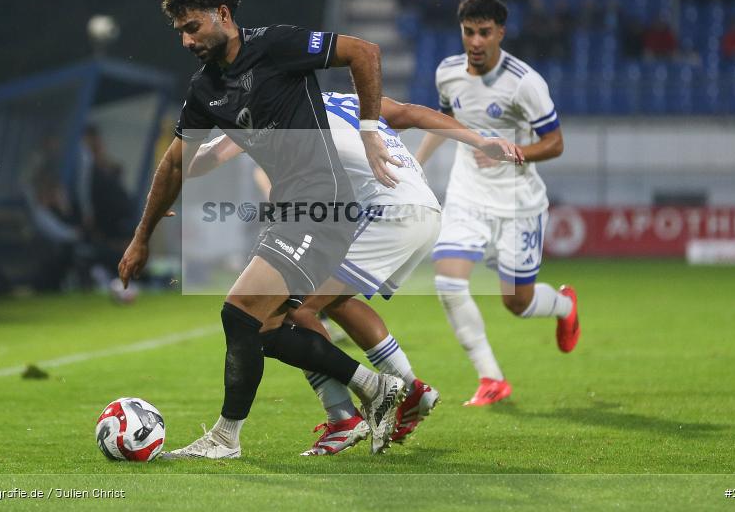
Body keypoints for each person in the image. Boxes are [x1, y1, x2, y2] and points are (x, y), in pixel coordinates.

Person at [118, 0, 407, 459]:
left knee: (238, 312)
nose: (186, 41)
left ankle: (225, 438)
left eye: (192, 27)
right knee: (266, 330)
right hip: (289, 210)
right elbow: (176, 163)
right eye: (180, 32)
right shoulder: (205, 88)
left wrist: (370, 130)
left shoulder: (274, 46)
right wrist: (142, 235)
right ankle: (375, 388)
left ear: (223, 15)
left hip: (322, 204)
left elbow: (364, 52)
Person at [186, 92, 523, 453]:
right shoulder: (347, 98)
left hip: (385, 210)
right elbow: (412, 113)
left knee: (291, 312)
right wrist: (480, 140)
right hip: (423, 208)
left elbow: (206, 160)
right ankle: (410, 391)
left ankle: (343, 417)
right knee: (336, 302)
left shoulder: (283, 105)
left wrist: (187, 141)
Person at [415, 0, 580, 407]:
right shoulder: (448, 72)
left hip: (518, 204)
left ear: (500, 33)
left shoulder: (524, 83)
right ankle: (491, 377)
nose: (476, 41)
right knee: (448, 282)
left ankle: (563, 306)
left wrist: (509, 152)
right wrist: (414, 164)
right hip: (467, 196)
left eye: (484, 32)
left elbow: (555, 143)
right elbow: (445, 121)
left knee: (517, 303)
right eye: (469, 32)